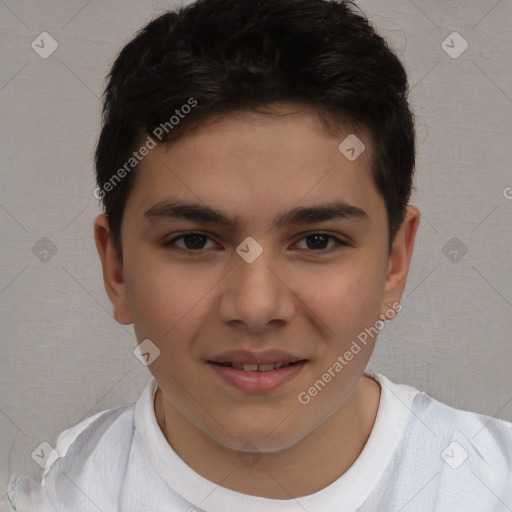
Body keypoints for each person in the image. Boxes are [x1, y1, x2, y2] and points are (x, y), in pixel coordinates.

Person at [3, 0, 511, 510]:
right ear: (116, 269)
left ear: (394, 263)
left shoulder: (491, 484)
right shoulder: (63, 494)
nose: (256, 306)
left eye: (317, 241)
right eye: (194, 241)